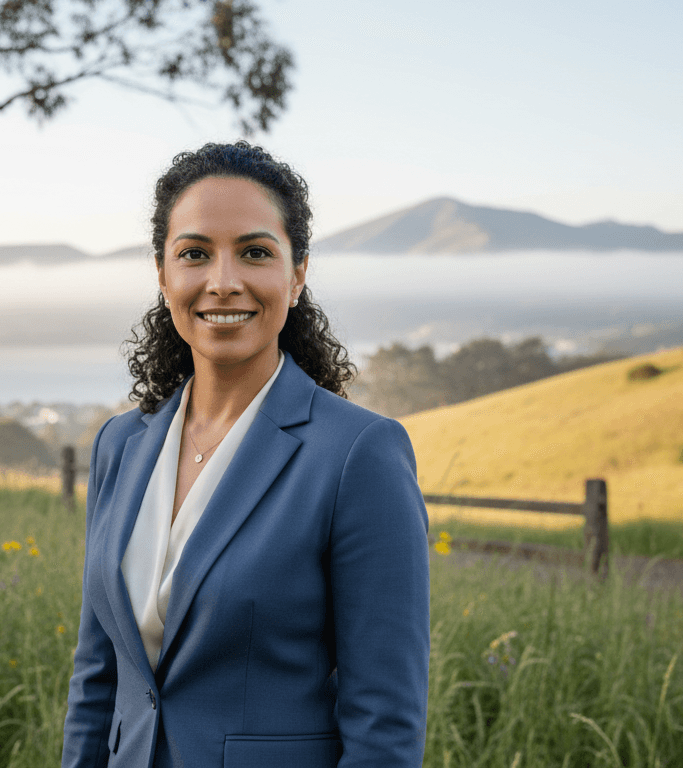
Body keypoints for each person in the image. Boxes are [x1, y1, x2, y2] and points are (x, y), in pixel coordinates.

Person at [62, 141, 430, 768]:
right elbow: (98, 680)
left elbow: (385, 726)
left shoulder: (357, 455)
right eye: (195, 254)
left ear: (297, 273)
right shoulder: (120, 445)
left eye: (255, 252)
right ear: (162, 273)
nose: (223, 281)